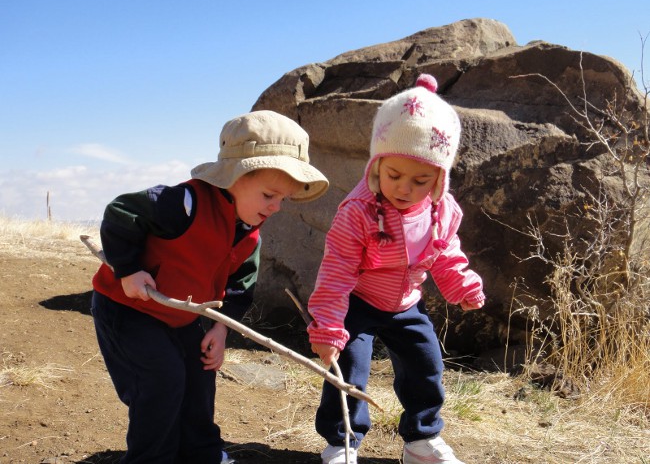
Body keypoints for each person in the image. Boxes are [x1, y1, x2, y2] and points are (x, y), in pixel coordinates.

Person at [90, 110, 329, 464]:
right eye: (268, 195)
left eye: (284, 200)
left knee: (199, 378)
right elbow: (122, 212)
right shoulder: (184, 204)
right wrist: (129, 270)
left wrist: (219, 328)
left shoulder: (249, 236)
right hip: (129, 311)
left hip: (182, 318)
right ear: (235, 175)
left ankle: (201, 453)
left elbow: (239, 286)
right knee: (162, 381)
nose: (276, 207)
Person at [307, 74, 485, 464]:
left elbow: (446, 250)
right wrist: (327, 326)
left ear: (440, 177)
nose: (404, 188)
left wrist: (461, 284)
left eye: (420, 180)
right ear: (376, 164)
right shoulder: (359, 212)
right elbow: (336, 270)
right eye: (393, 176)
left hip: (406, 302)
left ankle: (420, 441)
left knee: (426, 364)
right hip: (359, 299)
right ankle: (342, 442)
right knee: (349, 368)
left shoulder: (441, 210)